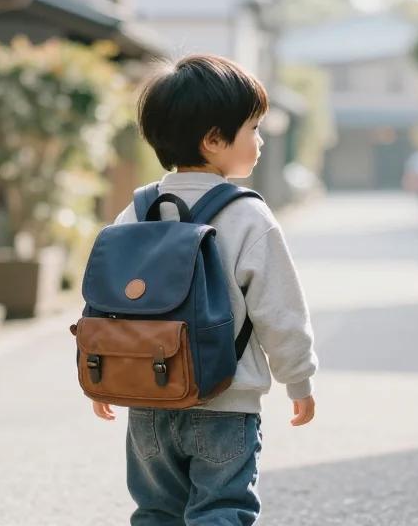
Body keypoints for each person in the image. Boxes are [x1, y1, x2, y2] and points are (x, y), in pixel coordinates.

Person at [91, 54, 319, 525]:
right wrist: (298, 379)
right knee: (221, 511)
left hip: (147, 401)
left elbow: (104, 303)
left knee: (156, 512)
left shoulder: (133, 213)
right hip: (225, 403)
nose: (259, 141)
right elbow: (280, 311)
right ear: (214, 140)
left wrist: (101, 373)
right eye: (252, 128)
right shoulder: (248, 216)